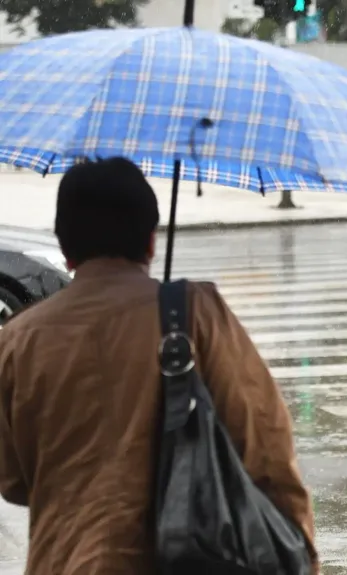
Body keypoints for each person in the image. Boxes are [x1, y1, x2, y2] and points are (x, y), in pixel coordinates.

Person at [0, 158, 317, 573]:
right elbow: (265, 448)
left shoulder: (17, 340)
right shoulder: (195, 316)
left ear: (64, 247)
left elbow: (14, 481)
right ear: (150, 242)